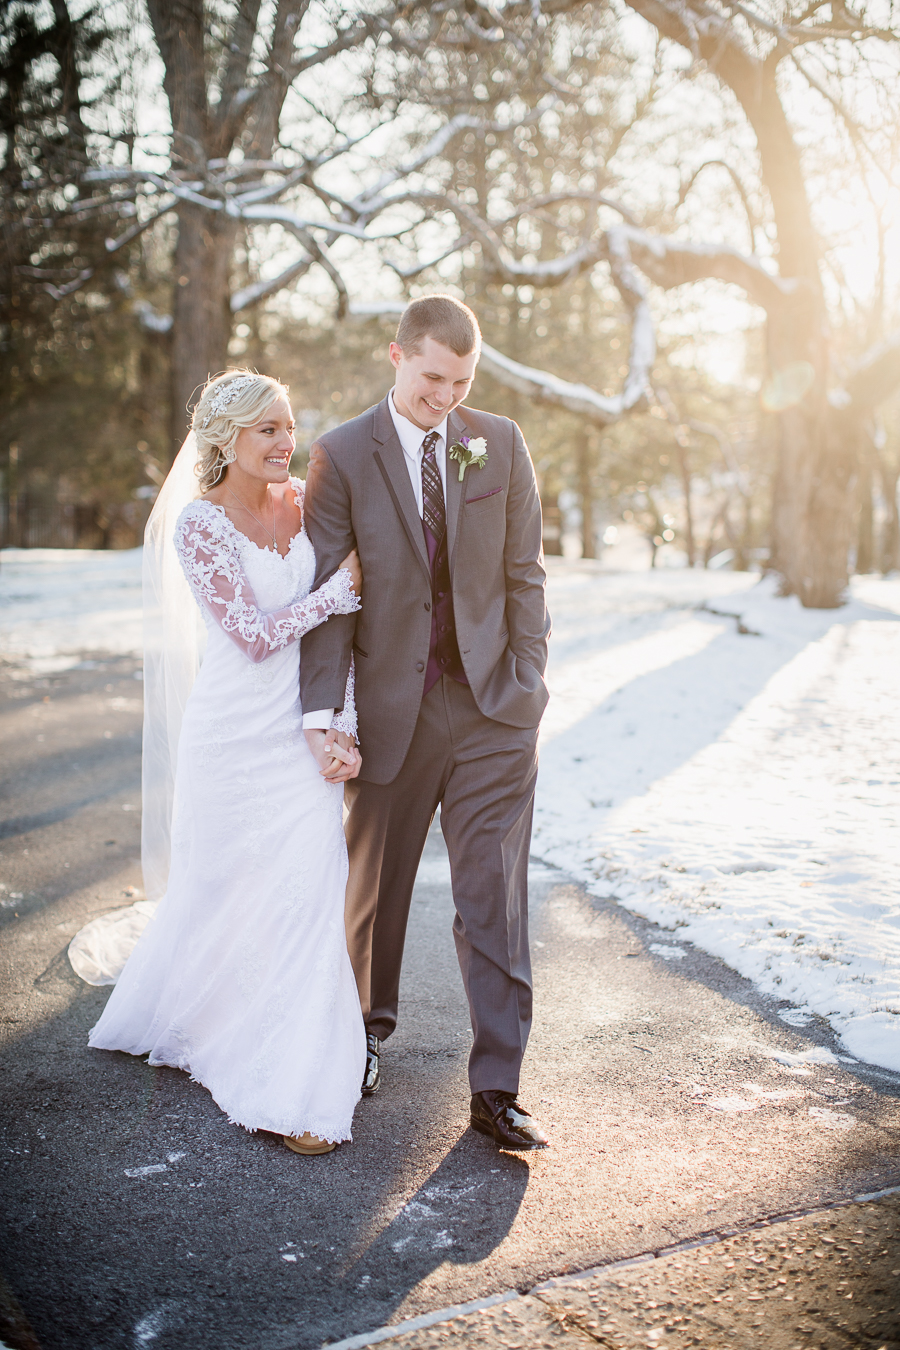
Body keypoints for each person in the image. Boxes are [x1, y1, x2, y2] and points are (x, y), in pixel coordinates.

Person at [81, 371, 366, 1156]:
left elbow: (337, 638)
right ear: (226, 438)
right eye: (268, 429)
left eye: (289, 426)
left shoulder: (310, 501)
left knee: (308, 894)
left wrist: (338, 721)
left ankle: (297, 1077)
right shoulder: (199, 526)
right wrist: (333, 595)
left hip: (302, 731)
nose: (286, 443)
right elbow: (251, 633)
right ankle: (214, 1025)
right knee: (224, 892)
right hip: (233, 734)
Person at [300, 295, 552, 1151]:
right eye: (433, 377)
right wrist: (326, 714)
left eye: (464, 380)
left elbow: (526, 575)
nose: (448, 396)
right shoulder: (339, 455)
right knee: (377, 891)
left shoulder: (501, 442)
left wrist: (528, 685)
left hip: (493, 713)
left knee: (495, 897)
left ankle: (498, 1087)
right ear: (396, 356)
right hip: (388, 712)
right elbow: (330, 602)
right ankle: (363, 1039)